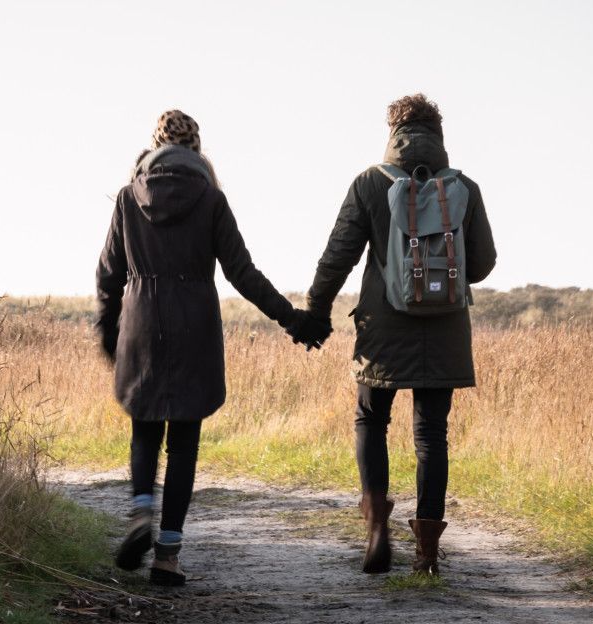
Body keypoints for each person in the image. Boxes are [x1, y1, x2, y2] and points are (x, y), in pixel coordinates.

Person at [95, 109, 306, 586]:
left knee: (145, 427)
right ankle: (167, 556)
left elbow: (108, 273)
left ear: (152, 148)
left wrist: (109, 332)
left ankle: (140, 511)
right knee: (184, 439)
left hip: (141, 325)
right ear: (197, 150)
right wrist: (290, 318)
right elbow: (243, 273)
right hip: (195, 325)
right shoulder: (211, 199)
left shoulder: (129, 199)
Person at [289, 94, 496, 575]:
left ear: (392, 133)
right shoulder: (464, 188)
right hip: (444, 328)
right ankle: (426, 552)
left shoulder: (369, 184)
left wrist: (316, 312)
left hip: (382, 326)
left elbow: (337, 256)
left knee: (370, 419)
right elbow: (482, 265)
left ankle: (377, 531)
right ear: (438, 134)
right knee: (430, 434)